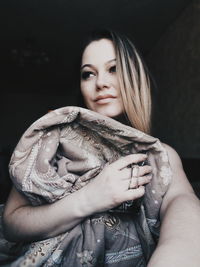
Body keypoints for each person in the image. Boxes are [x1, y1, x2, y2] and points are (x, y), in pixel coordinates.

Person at [2, 29, 200, 266]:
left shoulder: (161, 156)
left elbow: (184, 212)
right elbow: (12, 224)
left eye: (113, 69)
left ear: (135, 76)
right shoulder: (53, 140)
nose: (101, 83)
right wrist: (91, 198)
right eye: (88, 74)